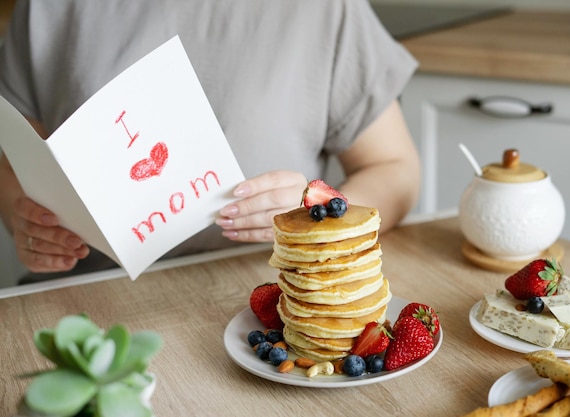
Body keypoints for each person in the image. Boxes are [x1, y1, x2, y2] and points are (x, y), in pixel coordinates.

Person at [0, 0, 421, 282]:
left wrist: (320, 217)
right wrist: (25, 218)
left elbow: (395, 170)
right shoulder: (48, 8)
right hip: (83, 297)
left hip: (270, 303)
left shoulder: (325, 10)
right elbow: (14, 160)